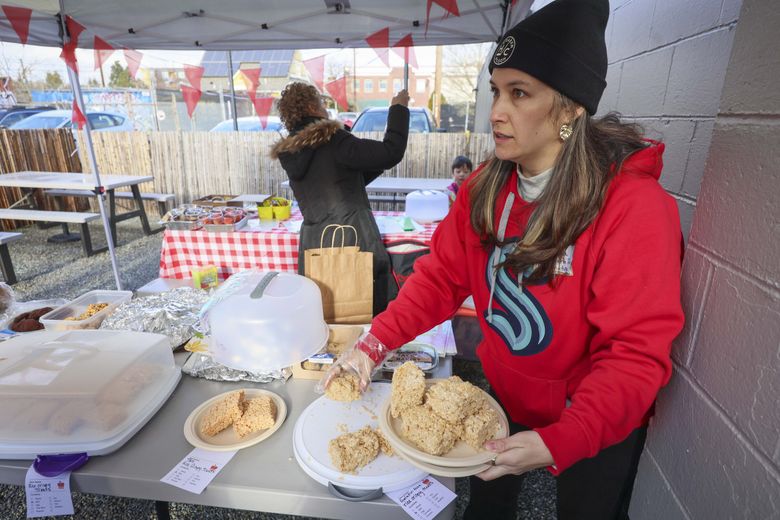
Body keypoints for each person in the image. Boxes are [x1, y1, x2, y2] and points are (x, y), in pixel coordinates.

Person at [320, 0, 684, 518]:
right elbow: (439, 280)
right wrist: (372, 344)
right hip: (502, 401)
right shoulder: (484, 188)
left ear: (569, 108)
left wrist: (567, 437)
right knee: (485, 508)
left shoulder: (634, 208)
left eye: (519, 93)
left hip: (593, 414)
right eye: (495, 90)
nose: (496, 111)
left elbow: (634, 354)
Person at [271, 83, 410, 315]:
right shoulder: (332, 140)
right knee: (366, 309)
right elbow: (392, 150)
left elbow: (341, 182)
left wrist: (376, 163)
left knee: (326, 310)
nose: (325, 107)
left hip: (315, 242)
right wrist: (399, 109)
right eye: (321, 101)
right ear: (310, 106)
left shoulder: (292, 152)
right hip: (352, 236)